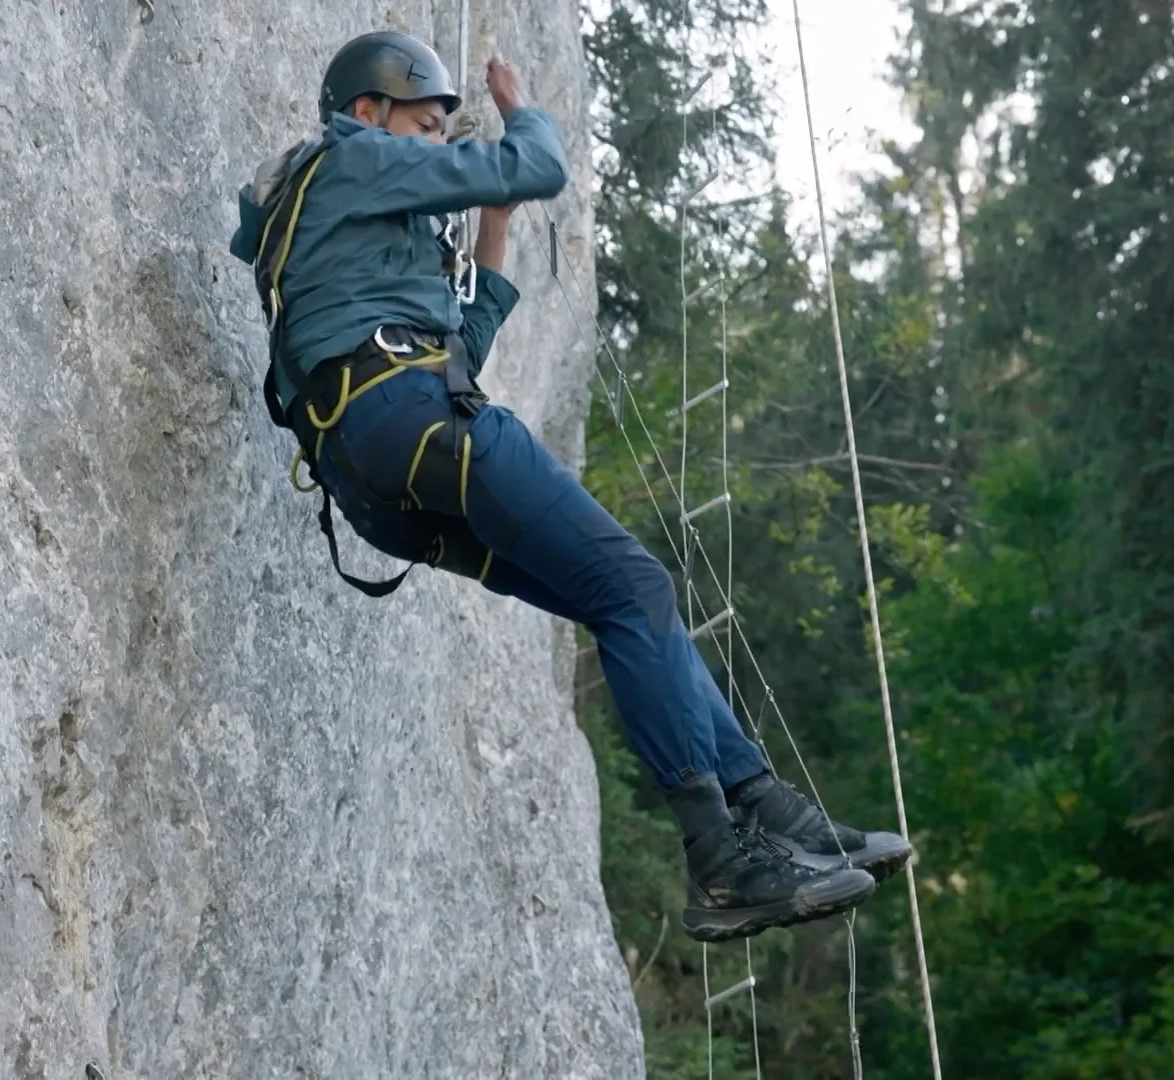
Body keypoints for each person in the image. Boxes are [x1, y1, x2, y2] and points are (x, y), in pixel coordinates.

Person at [230, 31, 912, 942]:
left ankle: (762, 809)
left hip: (375, 475)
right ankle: (720, 854)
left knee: (621, 603)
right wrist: (519, 112)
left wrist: (493, 224)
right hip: (408, 419)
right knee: (635, 588)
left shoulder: (340, 242)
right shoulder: (350, 159)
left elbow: (463, 351)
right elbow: (537, 164)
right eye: (427, 125)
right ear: (368, 114)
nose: (435, 143)